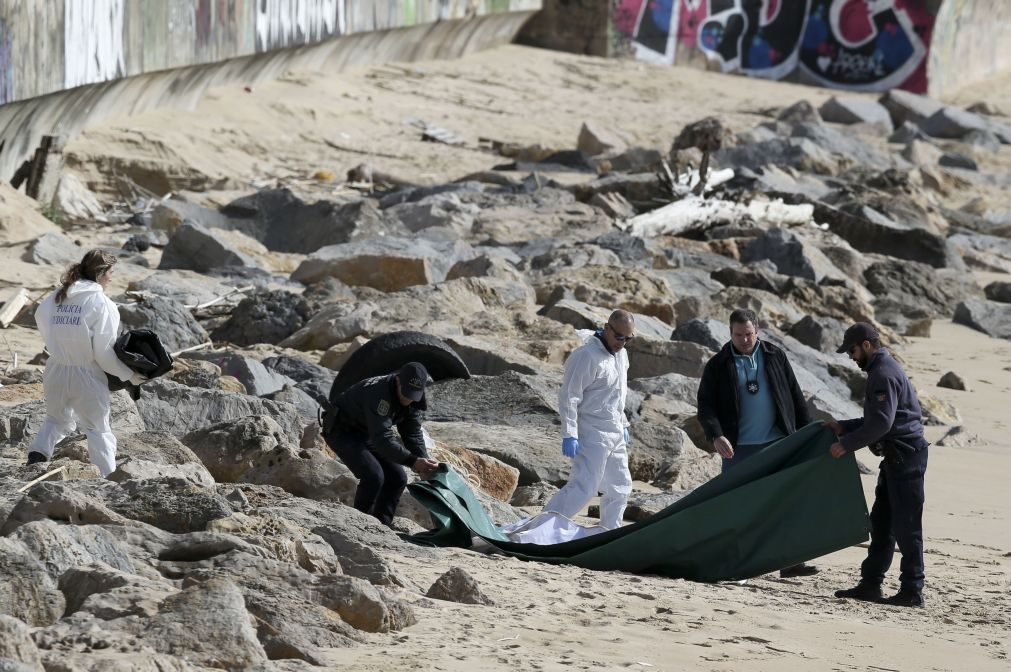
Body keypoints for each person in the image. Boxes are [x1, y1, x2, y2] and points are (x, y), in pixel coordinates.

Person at [696, 308, 817, 578]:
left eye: (749, 334)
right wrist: (716, 435)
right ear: (730, 333)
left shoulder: (775, 355)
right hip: (737, 448)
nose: (744, 339)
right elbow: (705, 405)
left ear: (758, 331)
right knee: (737, 507)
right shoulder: (718, 364)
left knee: (785, 503)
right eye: (738, 335)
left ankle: (790, 562)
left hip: (777, 443)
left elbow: (795, 396)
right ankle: (734, 564)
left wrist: (808, 433)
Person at [827, 322, 929, 608]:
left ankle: (912, 590)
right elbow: (878, 421)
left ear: (866, 345)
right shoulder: (880, 370)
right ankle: (871, 584)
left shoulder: (882, 374)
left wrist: (845, 445)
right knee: (882, 524)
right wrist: (843, 427)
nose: (850, 356)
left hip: (906, 459)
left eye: (852, 350)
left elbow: (882, 424)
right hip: (895, 459)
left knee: (907, 527)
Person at [27, 250, 147, 477]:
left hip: (56, 369)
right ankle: (108, 478)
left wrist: (58, 344)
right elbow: (103, 353)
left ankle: (36, 457)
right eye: (111, 272)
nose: (112, 277)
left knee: (55, 419)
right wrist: (129, 375)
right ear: (101, 273)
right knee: (97, 428)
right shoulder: (102, 304)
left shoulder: (57, 296)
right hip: (87, 374)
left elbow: (40, 318)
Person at [543, 309, 634, 530]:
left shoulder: (621, 355)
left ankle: (610, 531)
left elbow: (617, 394)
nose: (622, 343)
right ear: (606, 327)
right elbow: (569, 397)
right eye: (619, 336)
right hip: (591, 432)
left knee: (620, 485)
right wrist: (570, 434)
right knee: (585, 486)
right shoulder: (586, 356)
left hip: (614, 431)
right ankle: (545, 525)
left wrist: (622, 424)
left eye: (628, 338)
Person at [323, 361, 439, 526]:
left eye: (413, 395)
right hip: (342, 431)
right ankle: (360, 523)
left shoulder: (415, 399)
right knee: (373, 475)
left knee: (398, 478)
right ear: (398, 380)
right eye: (406, 393)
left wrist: (423, 461)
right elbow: (382, 439)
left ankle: (381, 525)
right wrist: (412, 461)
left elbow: (412, 433)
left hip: (367, 432)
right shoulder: (380, 394)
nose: (408, 399)